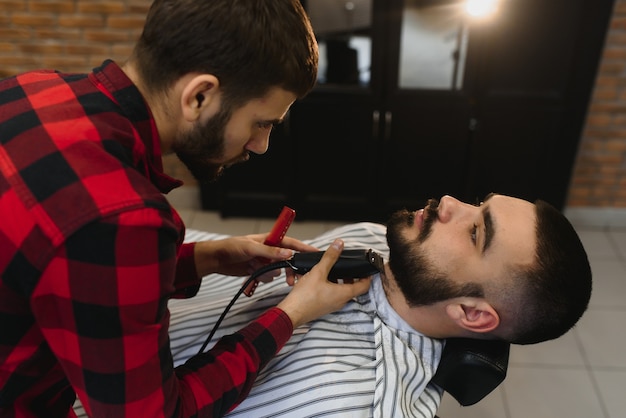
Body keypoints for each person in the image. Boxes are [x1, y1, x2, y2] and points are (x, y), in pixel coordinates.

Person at [0, 1, 372, 417]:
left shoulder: (30, 89)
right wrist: (291, 314)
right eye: (262, 123)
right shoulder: (120, 219)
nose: (261, 145)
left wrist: (207, 257)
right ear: (199, 96)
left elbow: (71, 269)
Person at [115, 193, 590, 418]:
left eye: (474, 232)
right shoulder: (372, 242)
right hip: (119, 320)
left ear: (472, 314)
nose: (448, 202)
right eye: (476, 203)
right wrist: (206, 257)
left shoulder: (363, 406)